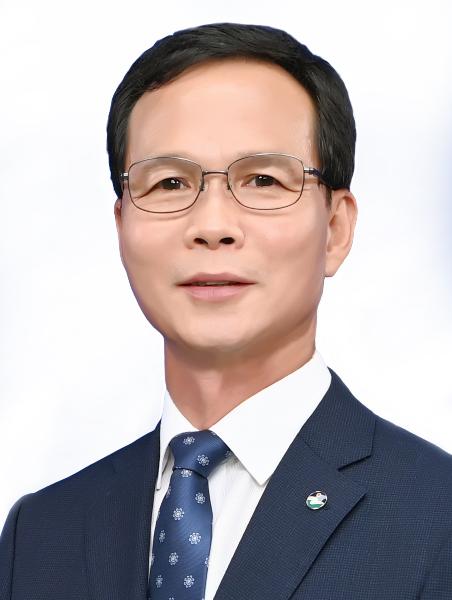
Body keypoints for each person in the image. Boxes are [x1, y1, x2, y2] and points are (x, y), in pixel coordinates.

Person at [1, 22, 451, 600]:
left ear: (336, 229)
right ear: (121, 226)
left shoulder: (435, 516)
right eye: (169, 183)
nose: (212, 226)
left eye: (263, 180)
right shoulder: (41, 531)